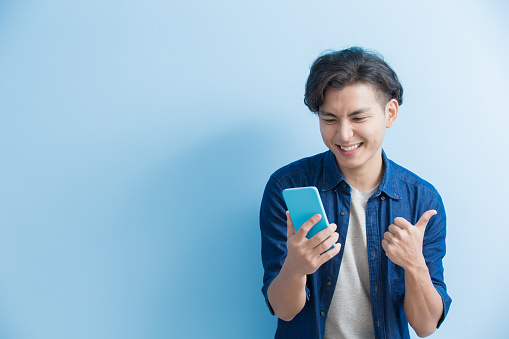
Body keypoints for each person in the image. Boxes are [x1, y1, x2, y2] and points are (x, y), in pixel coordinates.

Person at [260, 47, 451, 339]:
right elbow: (284, 310)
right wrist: (295, 268)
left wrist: (415, 266)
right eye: (330, 119)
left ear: (390, 112)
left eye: (358, 118)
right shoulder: (286, 187)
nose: (343, 134)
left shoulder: (421, 201)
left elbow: (425, 326)